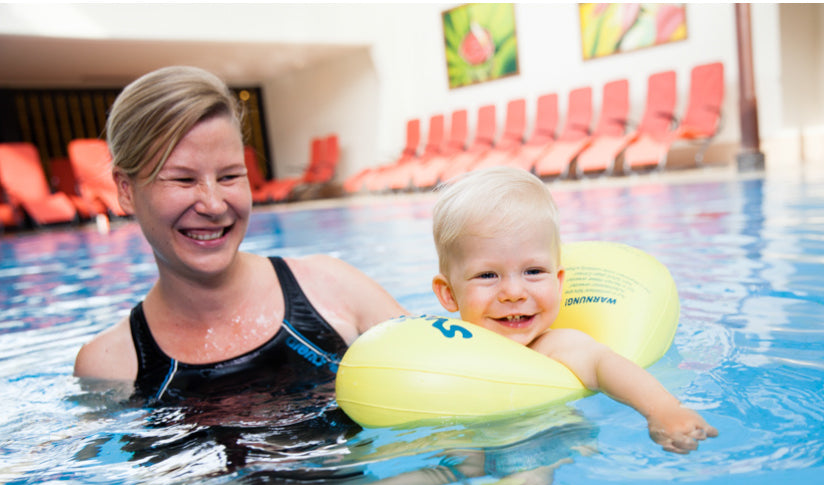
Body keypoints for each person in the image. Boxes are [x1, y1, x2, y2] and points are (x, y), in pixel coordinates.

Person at [73, 65, 407, 402]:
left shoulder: (333, 291)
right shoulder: (110, 364)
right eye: (183, 180)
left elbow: (450, 374)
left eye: (230, 176)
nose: (214, 205)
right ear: (126, 190)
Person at [430, 166, 718, 454]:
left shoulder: (554, 346)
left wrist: (663, 410)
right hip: (464, 441)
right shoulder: (441, 341)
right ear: (448, 293)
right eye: (487, 275)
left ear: (558, 282)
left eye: (533, 271)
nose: (514, 293)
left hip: (538, 443)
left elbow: (605, 366)